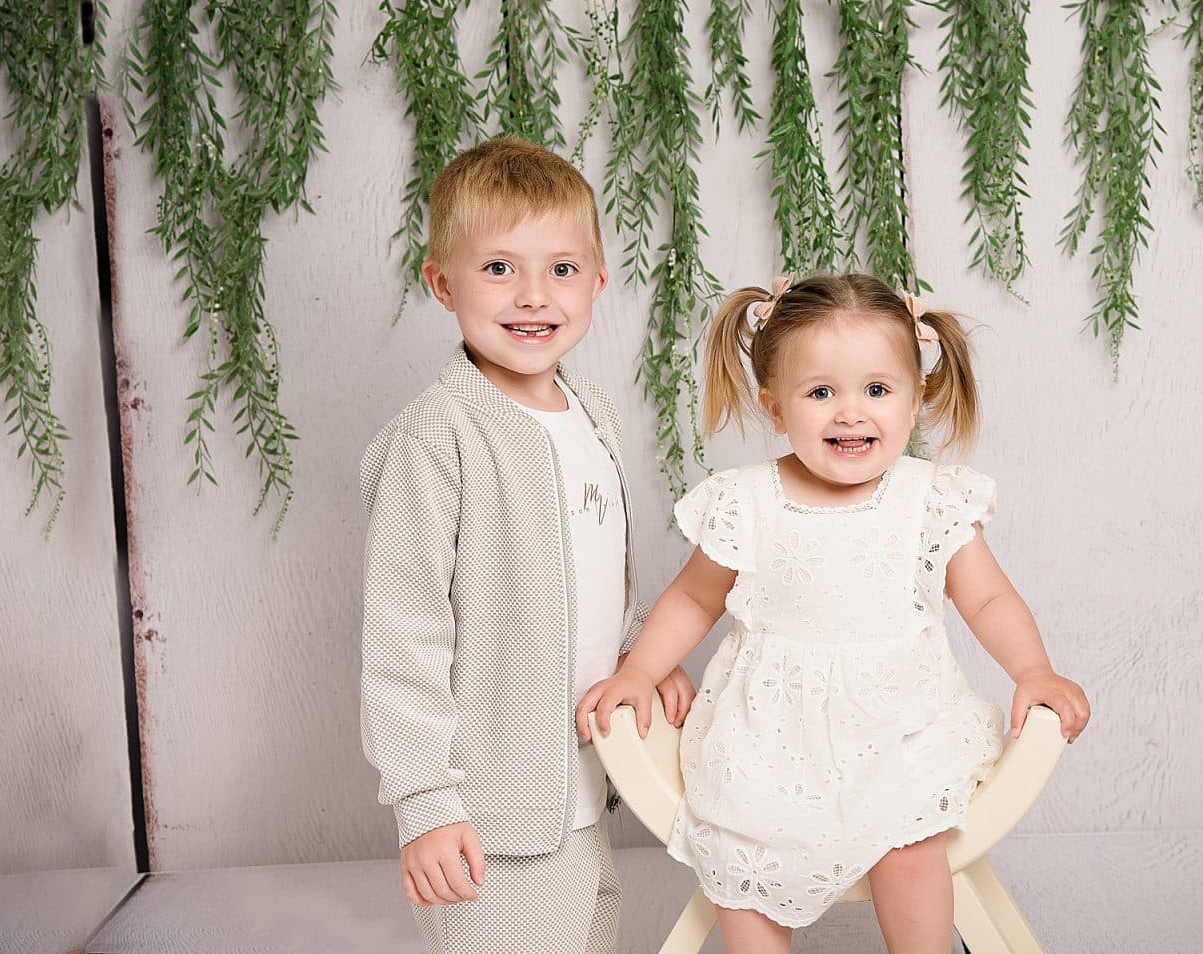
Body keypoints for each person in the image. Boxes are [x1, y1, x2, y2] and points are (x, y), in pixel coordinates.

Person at [577, 273, 1089, 953]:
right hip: (770, 736)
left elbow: (989, 597)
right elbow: (694, 599)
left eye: (877, 390)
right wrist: (640, 670)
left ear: (917, 399)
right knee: (743, 854)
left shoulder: (929, 498)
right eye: (821, 393)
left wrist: (1035, 670)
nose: (850, 413)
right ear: (776, 407)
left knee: (910, 847)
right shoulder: (749, 499)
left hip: (898, 728)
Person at [359, 135, 695, 954]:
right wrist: (427, 802)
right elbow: (402, 634)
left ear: (598, 282)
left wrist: (644, 659)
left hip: (584, 792)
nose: (533, 295)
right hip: (487, 813)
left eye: (562, 269)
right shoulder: (437, 436)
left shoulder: (594, 420)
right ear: (443, 283)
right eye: (499, 268)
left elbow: (595, 583)